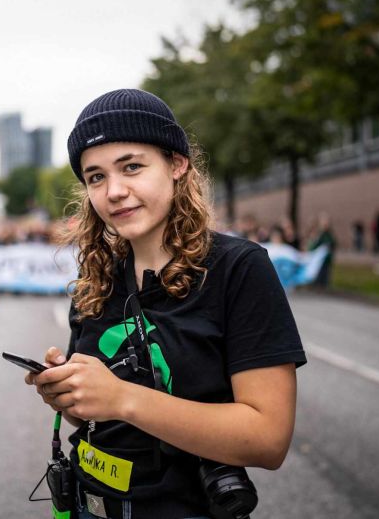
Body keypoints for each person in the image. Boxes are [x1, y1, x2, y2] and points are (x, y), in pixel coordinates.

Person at [25, 89, 306, 519]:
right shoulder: (96, 277)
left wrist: (121, 397)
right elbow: (102, 421)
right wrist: (72, 395)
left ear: (177, 164)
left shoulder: (239, 268)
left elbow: (268, 439)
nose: (114, 191)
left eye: (132, 167)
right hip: (88, 505)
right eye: (96, 177)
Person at [308, 212, 336, 287]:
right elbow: (313, 246)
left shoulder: (329, 235)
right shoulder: (318, 234)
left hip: (326, 260)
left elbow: (333, 244)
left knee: (325, 275)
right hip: (318, 260)